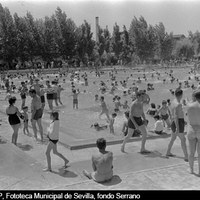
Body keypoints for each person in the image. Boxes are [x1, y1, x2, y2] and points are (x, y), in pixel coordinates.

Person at [166, 88, 188, 161]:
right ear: (181, 95)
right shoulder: (178, 104)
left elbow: (176, 114)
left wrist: (183, 120)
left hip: (175, 122)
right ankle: (186, 156)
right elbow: (176, 116)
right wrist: (178, 128)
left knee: (173, 138)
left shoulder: (173, 102)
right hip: (177, 122)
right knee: (183, 139)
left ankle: (168, 152)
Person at [186, 90, 200, 175]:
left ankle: (191, 169)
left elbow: (188, 102)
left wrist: (191, 99)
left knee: (191, 152)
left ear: (194, 97)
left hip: (191, 129)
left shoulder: (189, 105)